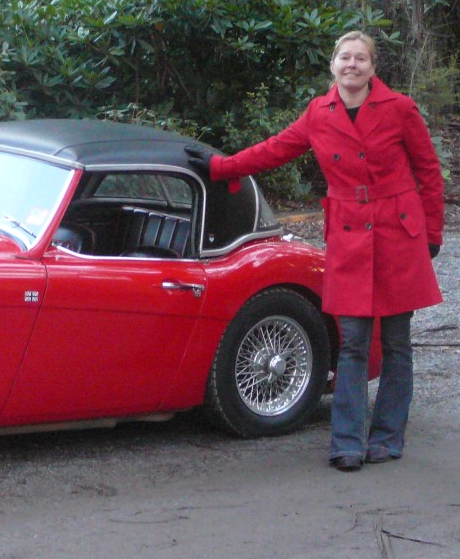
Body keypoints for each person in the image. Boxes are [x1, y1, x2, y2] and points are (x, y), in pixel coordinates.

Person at [186, 31, 445, 472]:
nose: (352, 65)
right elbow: (275, 149)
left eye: (361, 59)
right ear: (333, 65)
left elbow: (429, 171)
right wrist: (222, 167)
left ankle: (387, 436)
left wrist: (432, 232)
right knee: (353, 343)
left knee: (398, 343)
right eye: (345, 58)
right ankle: (346, 441)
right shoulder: (318, 113)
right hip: (350, 238)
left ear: (372, 67)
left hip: (399, 235)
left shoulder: (400, 109)